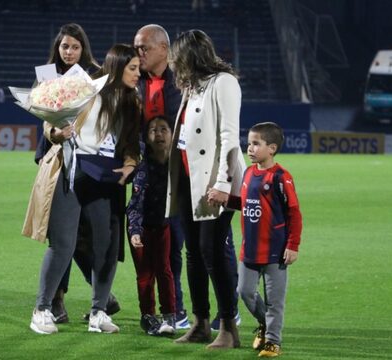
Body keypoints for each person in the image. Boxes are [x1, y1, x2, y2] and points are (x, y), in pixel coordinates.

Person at [28, 43, 141, 335]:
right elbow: (50, 122)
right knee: (63, 244)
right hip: (72, 173)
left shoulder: (132, 102)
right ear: (117, 66)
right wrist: (56, 132)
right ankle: (41, 310)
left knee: (106, 248)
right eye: (133, 68)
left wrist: (130, 165)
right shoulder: (86, 88)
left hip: (107, 179)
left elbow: (130, 144)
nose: (138, 74)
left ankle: (98, 313)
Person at [166, 29, 245, 349]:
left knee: (212, 251)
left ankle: (228, 326)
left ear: (189, 56)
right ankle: (200, 323)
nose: (172, 62)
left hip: (213, 180)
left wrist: (224, 183)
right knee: (194, 253)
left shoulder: (223, 83)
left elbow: (229, 137)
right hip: (188, 179)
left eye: (176, 55)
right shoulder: (193, 87)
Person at [133, 23, 189, 330]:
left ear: (164, 49)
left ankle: (177, 309)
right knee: (146, 249)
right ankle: (154, 312)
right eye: (136, 47)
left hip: (177, 174)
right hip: (144, 176)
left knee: (175, 246)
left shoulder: (182, 83)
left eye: (144, 47)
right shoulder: (132, 80)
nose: (138, 53)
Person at [237, 122, 303, 357]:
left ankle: (273, 342)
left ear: (272, 148)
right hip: (250, 249)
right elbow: (245, 204)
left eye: (256, 144)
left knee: (274, 300)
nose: (250, 148)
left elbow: (294, 213)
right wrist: (225, 200)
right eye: (249, 143)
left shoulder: (281, 177)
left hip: (275, 251)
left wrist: (292, 245)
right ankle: (265, 325)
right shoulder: (247, 173)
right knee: (244, 291)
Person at [126, 116, 176, 336]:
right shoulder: (143, 168)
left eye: (164, 129)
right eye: (153, 130)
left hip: (164, 227)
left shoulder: (177, 166)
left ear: (172, 135)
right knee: (145, 275)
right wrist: (135, 231)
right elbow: (135, 204)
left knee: (164, 271)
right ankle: (148, 316)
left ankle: (170, 316)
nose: (159, 134)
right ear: (146, 138)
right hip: (142, 228)